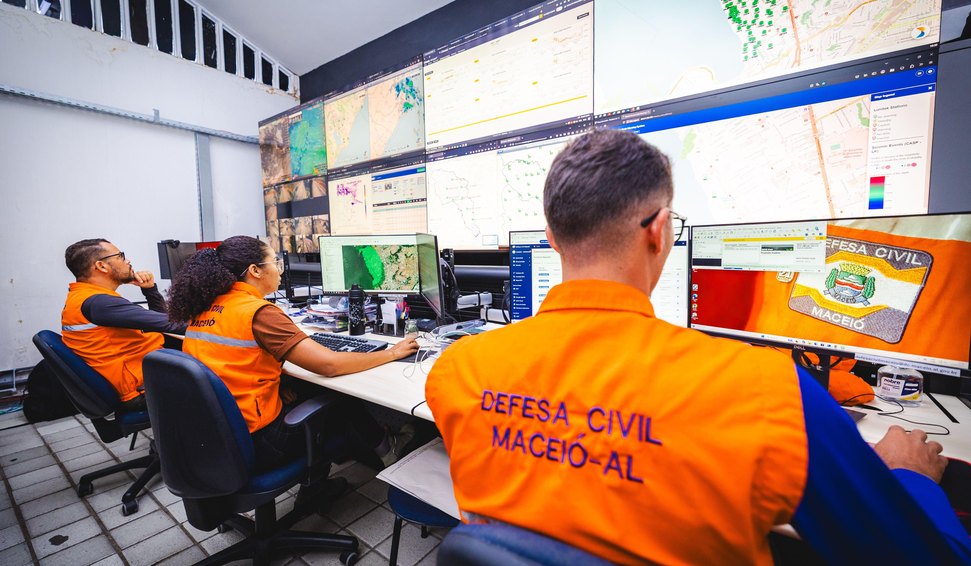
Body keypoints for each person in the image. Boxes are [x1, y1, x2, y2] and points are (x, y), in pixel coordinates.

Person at [425, 130, 971, 564]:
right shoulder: (766, 393)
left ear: (550, 237)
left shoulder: (458, 370)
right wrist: (911, 478)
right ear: (660, 231)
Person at [165, 235, 419, 475]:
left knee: (305, 388)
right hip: (260, 440)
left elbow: (229, 364)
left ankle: (319, 484)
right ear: (255, 270)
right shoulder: (258, 313)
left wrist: (278, 385)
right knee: (342, 397)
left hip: (221, 432)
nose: (280, 269)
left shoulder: (207, 306)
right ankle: (388, 452)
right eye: (275, 262)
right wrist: (392, 353)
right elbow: (329, 365)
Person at [61, 238, 186, 412]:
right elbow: (170, 324)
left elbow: (162, 322)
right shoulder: (99, 303)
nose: (127, 261)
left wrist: (149, 289)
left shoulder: (84, 297)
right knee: (216, 373)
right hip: (140, 388)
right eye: (120, 256)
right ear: (101, 266)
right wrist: (215, 321)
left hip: (143, 371)